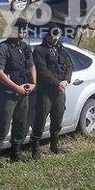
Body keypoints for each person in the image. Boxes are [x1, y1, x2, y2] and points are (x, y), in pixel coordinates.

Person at [0, 18, 36, 169]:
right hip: (8, 94)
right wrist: (16, 88)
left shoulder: (24, 47)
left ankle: (15, 154)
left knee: (20, 124)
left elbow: (31, 66)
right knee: (3, 126)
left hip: (24, 92)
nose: (24, 33)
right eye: (21, 30)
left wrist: (33, 83)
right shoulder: (3, 48)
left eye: (25, 30)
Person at [31, 27, 73, 160]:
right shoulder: (39, 50)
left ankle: (54, 145)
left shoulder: (61, 49)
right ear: (47, 35)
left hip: (59, 91)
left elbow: (69, 66)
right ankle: (35, 149)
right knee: (40, 120)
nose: (55, 38)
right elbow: (42, 71)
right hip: (46, 91)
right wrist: (57, 83)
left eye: (57, 35)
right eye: (52, 35)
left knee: (57, 118)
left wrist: (66, 80)